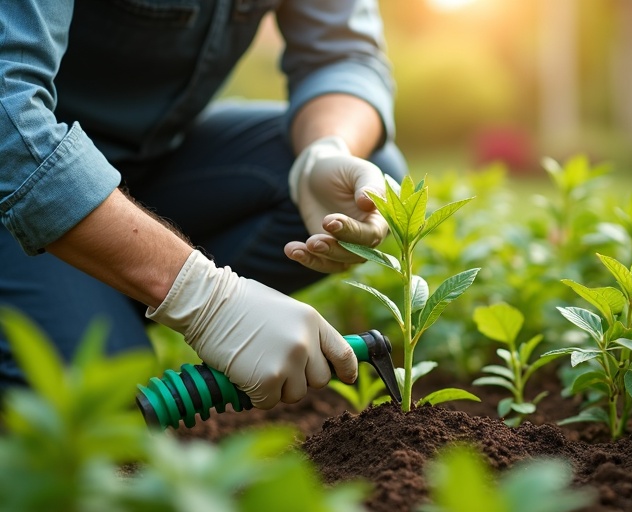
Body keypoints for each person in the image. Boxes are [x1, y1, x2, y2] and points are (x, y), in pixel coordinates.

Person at [0, 0, 407, 409]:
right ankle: (80, 301)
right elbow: (8, 113)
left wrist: (322, 151)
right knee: (102, 401)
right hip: (16, 188)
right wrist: (208, 300)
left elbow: (344, 54)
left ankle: (101, 292)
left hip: (153, 163)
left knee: (365, 173)